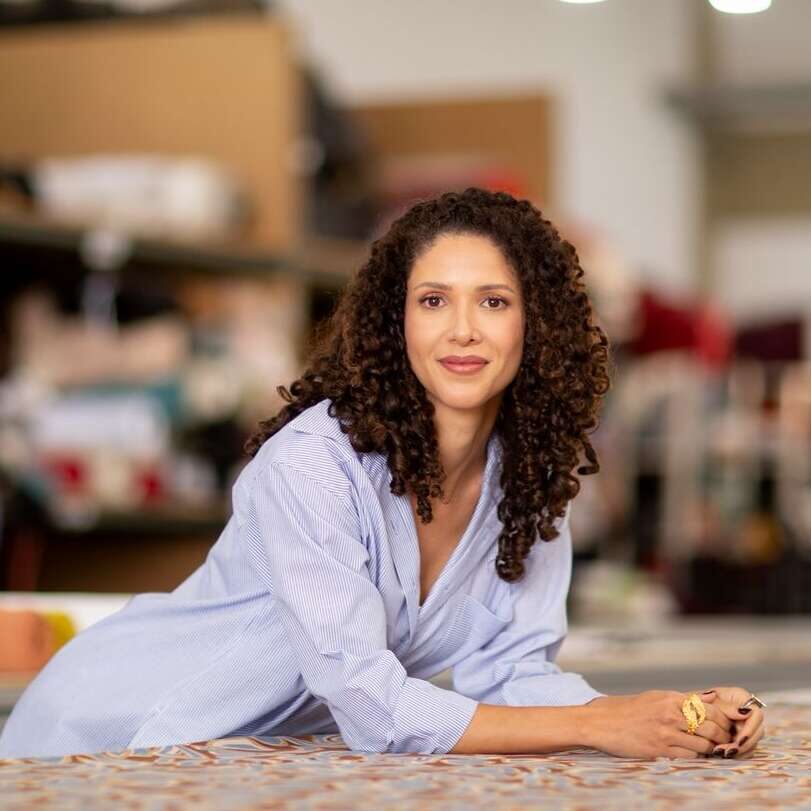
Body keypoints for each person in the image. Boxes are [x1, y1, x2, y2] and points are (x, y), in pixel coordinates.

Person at [0, 188, 765, 760]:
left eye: (492, 301)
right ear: (393, 322)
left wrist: (677, 716)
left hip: (238, 762)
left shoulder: (528, 481)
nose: (461, 329)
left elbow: (513, 671)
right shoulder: (312, 465)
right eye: (432, 300)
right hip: (109, 733)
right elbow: (374, 706)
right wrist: (598, 724)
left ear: (536, 325)